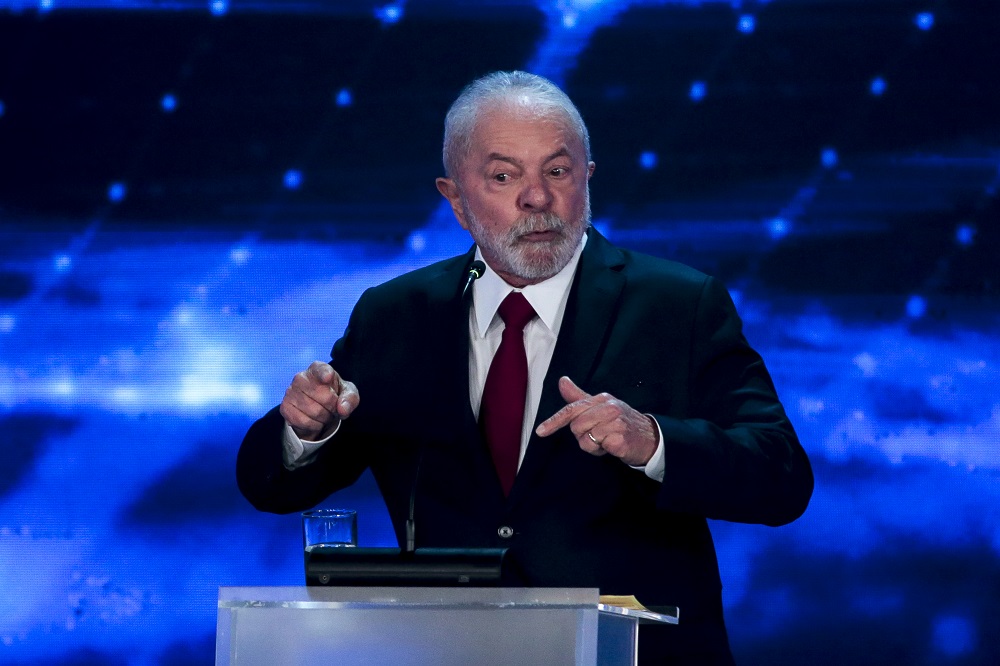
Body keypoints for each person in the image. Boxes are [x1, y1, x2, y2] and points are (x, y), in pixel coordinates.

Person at [237, 70, 813, 664]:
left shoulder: (678, 305)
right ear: (456, 200)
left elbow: (783, 477)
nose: (537, 198)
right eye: (503, 176)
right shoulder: (396, 316)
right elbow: (269, 484)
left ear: (588, 178)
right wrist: (304, 430)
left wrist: (654, 441)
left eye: (557, 172)